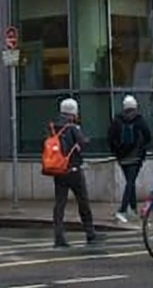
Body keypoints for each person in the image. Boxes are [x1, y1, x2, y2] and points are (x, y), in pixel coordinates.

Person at [47, 98, 101, 248]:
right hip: (73, 170)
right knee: (83, 202)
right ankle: (90, 233)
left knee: (59, 204)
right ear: (73, 113)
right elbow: (82, 143)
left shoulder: (53, 127)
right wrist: (84, 140)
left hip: (58, 170)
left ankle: (58, 236)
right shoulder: (72, 127)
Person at [106, 95, 150, 223]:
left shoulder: (117, 120)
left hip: (122, 158)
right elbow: (148, 136)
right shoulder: (139, 120)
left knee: (130, 182)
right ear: (135, 107)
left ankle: (133, 208)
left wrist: (117, 152)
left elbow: (110, 138)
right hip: (136, 157)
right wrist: (141, 148)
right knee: (130, 182)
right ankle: (123, 210)